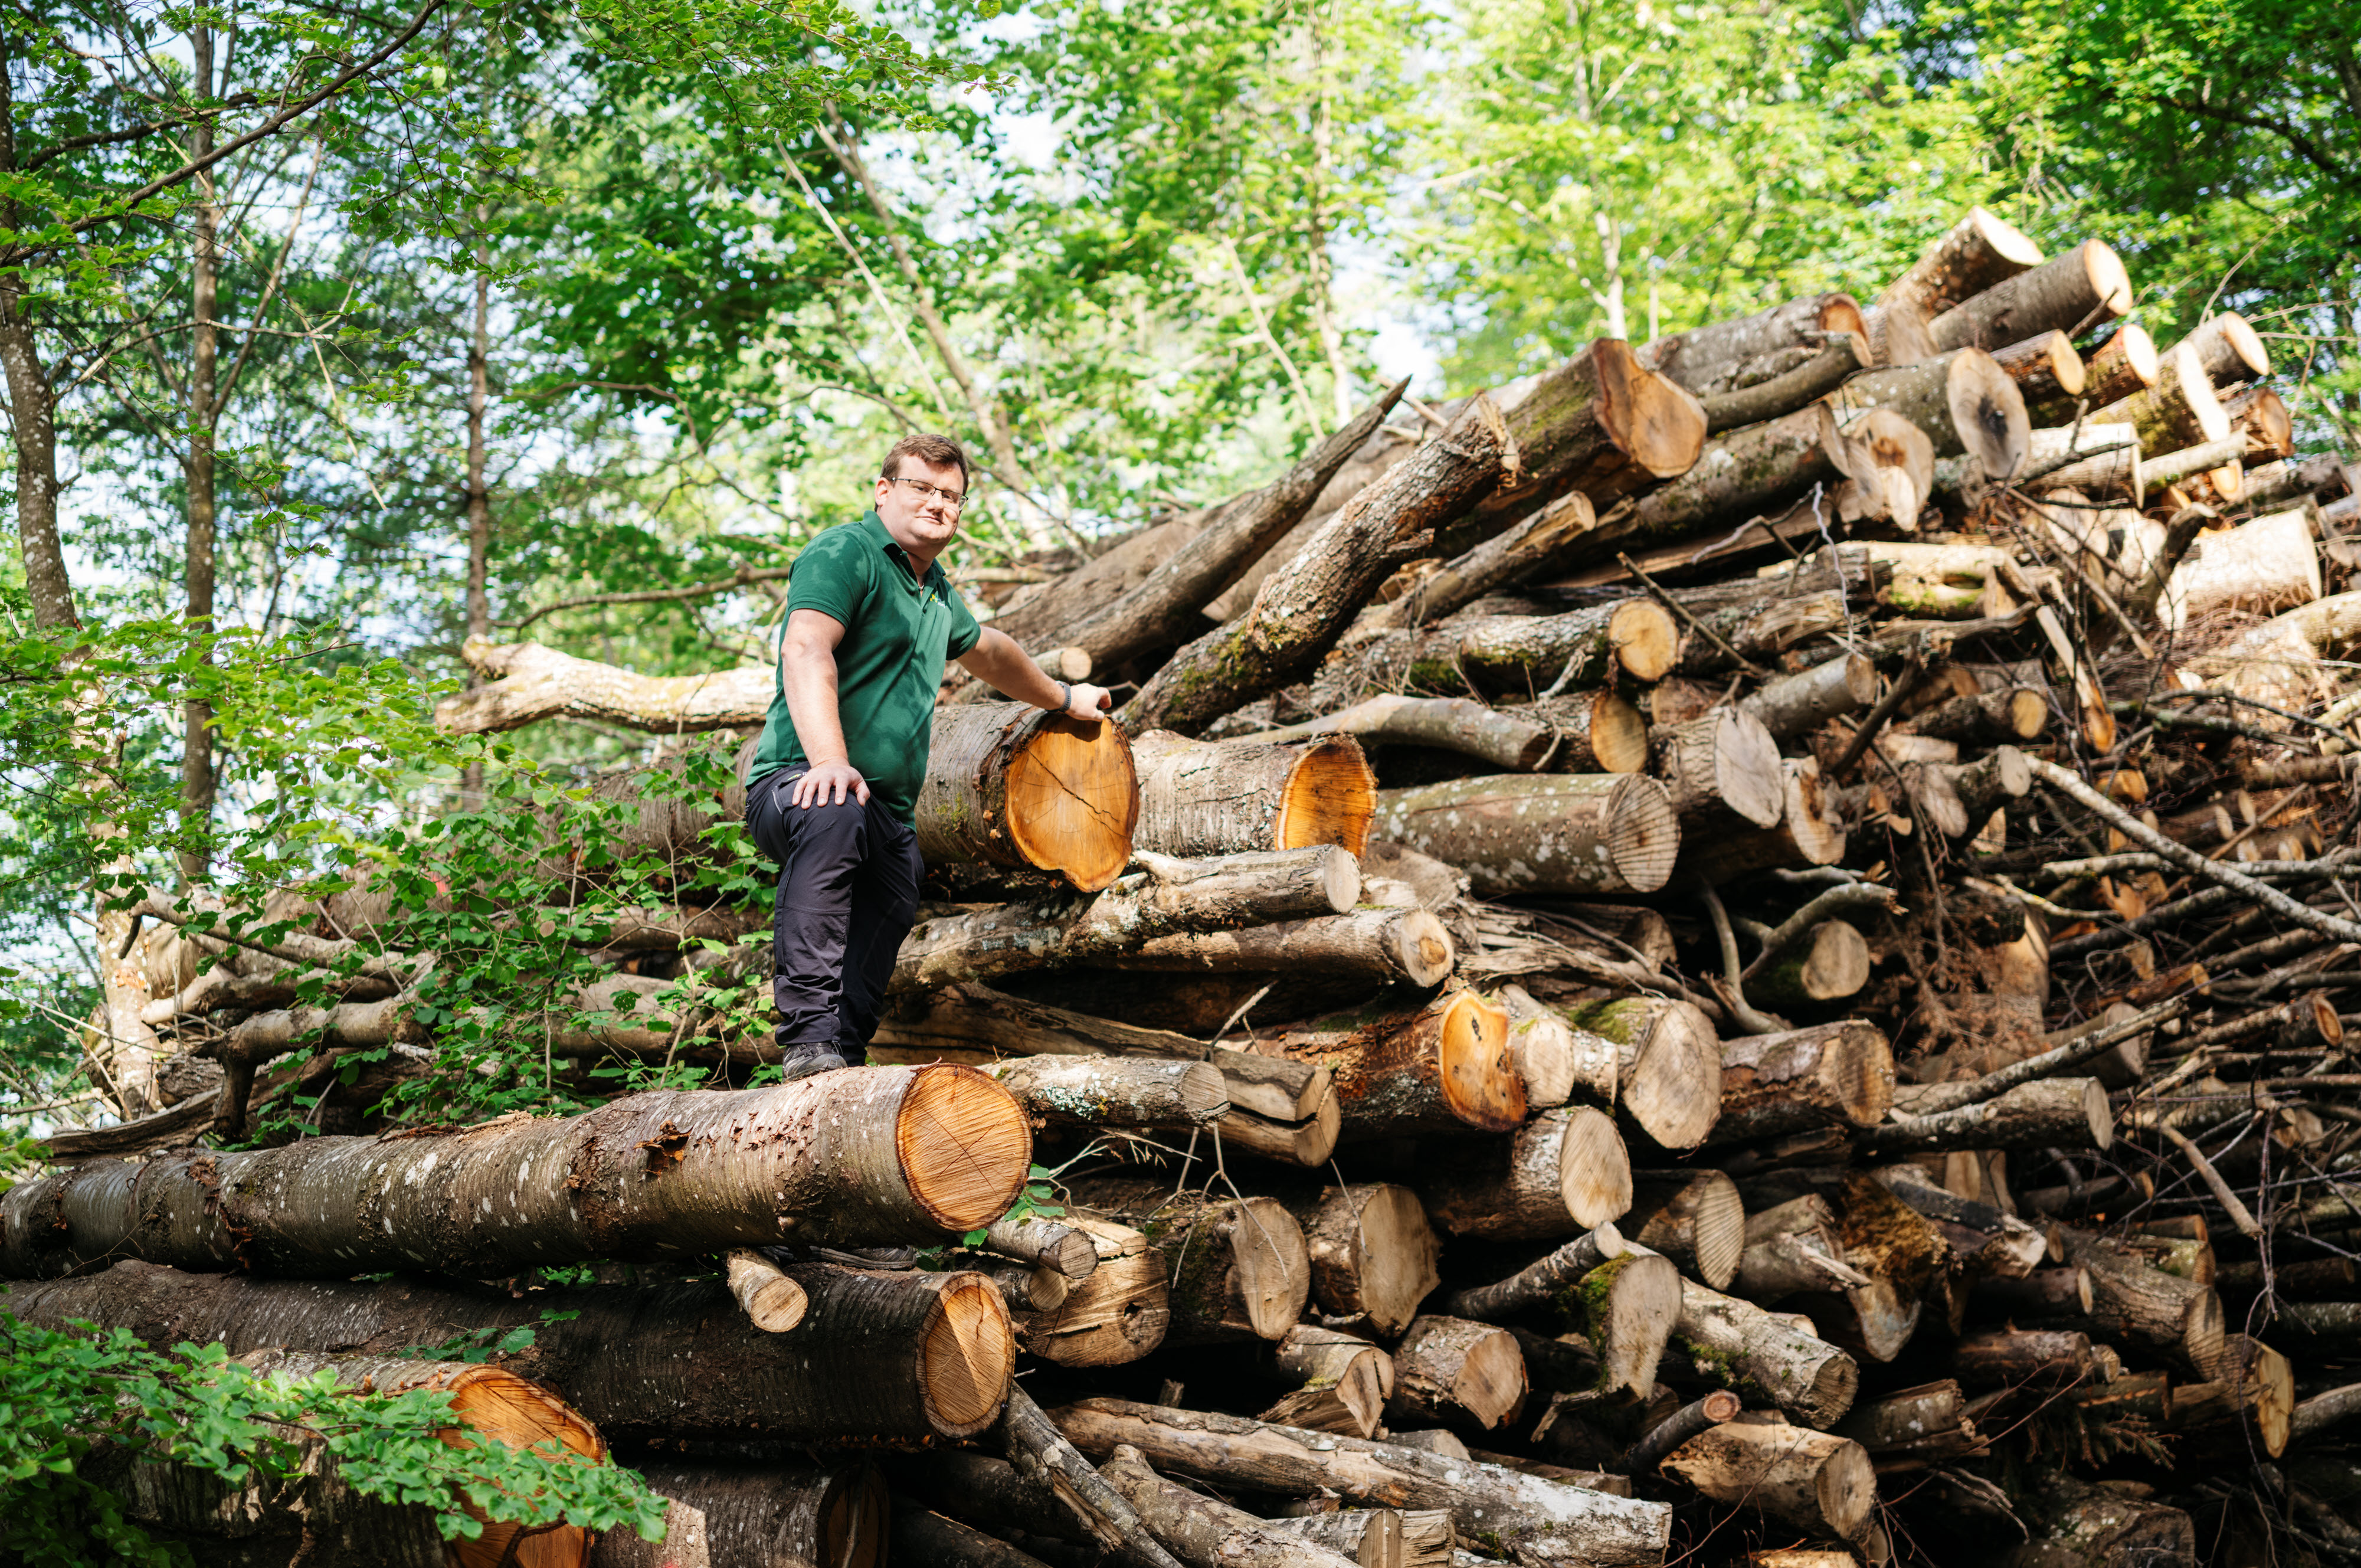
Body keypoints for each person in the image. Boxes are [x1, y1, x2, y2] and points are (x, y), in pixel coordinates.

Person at [742, 433, 1112, 1078]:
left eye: (951, 495)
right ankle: (805, 1042)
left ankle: (840, 1064)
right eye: (922, 487)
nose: (938, 503)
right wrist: (829, 761)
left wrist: (1063, 698)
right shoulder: (845, 551)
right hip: (797, 785)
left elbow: (991, 651)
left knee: (897, 879)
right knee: (836, 814)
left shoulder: (935, 590)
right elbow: (805, 649)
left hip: (882, 811)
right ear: (884, 490)